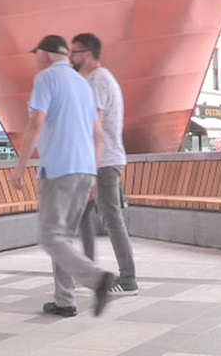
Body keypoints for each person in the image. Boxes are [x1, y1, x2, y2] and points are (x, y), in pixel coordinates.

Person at [11, 35, 115, 317]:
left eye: (36, 55)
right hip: (84, 169)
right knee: (63, 238)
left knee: (49, 236)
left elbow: (36, 123)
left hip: (60, 168)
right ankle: (65, 301)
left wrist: (20, 166)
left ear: (44, 56)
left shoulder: (46, 79)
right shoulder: (84, 83)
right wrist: (92, 175)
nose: (35, 61)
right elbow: (98, 135)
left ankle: (97, 279)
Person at [72, 33, 139, 296]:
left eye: (75, 52)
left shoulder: (97, 80)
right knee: (85, 214)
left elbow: (94, 126)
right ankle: (90, 275)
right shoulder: (102, 78)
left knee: (111, 218)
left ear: (86, 54)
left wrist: (91, 170)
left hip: (103, 161)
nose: (71, 58)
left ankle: (129, 279)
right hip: (105, 159)